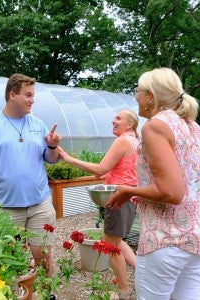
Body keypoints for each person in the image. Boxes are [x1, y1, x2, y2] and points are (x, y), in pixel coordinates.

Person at [105, 67, 200, 300]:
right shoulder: (194, 126)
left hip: (168, 239)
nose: (135, 96)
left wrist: (129, 190)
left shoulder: (155, 126)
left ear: (149, 96)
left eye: (137, 91)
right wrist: (147, 191)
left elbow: (172, 192)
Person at [0, 73, 61, 281]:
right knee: (9, 258)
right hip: (5, 207)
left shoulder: (37, 124)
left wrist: (52, 145)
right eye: (28, 95)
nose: (33, 99)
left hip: (39, 203)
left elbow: (51, 159)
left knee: (43, 254)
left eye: (33, 95)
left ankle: (46, 292)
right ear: (12, 95)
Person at [59, 109, 139, 300]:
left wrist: (68, 159)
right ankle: (145, 272)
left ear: (130, 124)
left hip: (119, 199)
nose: (113, 120)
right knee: (116, 240)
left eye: (118, 118)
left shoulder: (122, 141)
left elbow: (100, 169)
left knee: (111, 246)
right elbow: (120, 171)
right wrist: (107, 176)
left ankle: (123, 291)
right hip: (129, 198)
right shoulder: (136, 141)